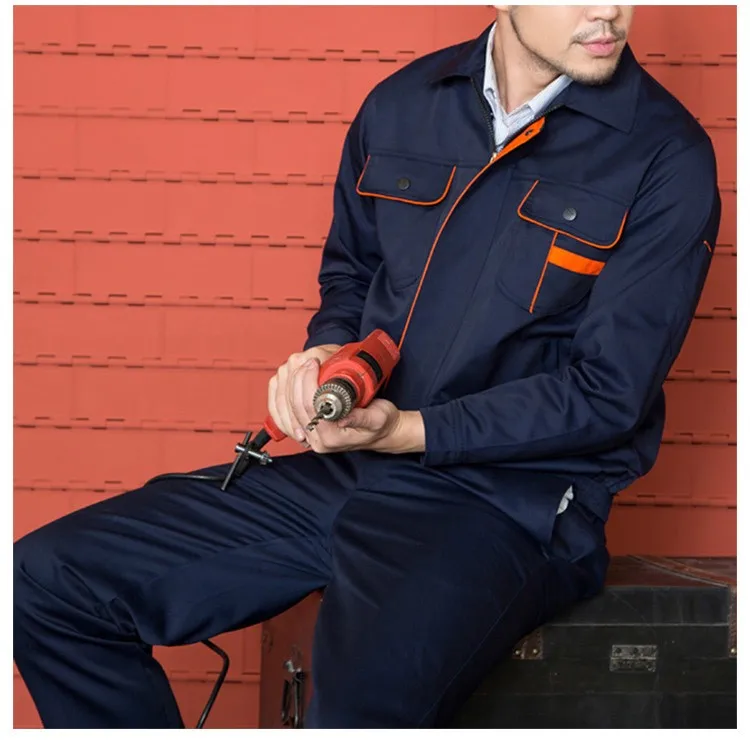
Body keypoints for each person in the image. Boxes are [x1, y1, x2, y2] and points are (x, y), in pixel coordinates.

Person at [14, 5, 720, 729]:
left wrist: (407, 430)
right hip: (355, 469)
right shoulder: (403, 105)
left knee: (356, 712)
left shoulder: (666, 156)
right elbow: (353, 273)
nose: (609, 11)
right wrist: (328, 352)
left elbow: (607, 393)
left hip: (510, 505)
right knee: (49, 580)